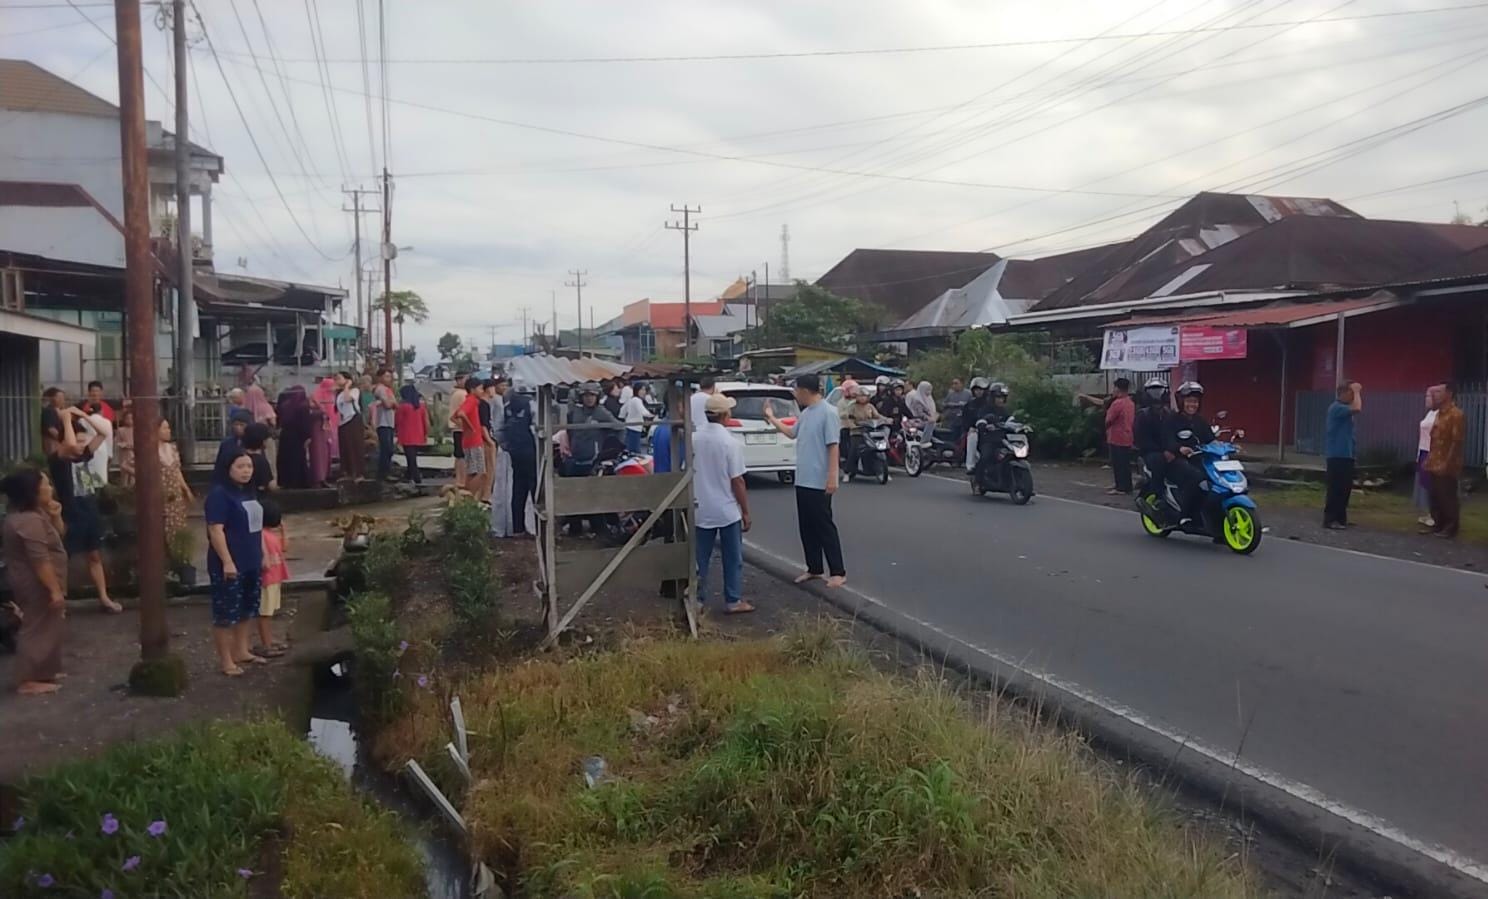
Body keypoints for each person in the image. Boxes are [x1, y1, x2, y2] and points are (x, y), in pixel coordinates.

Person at [763, 373, 846, 588]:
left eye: (796, 390)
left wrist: (832, 476)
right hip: (803, 477)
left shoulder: (828, 412)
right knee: (806, 526)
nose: (794, 394)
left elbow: (833, 445)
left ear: (806, 391)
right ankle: (814, 568)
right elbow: (792, 433)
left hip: (819, 478)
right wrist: (772, 418)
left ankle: (838, 571)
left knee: (824, 525)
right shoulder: (807, 412)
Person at [2, 468, 68, 696]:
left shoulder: (37, 515)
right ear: (33, 491)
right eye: (45, 485)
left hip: (44, 579)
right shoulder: (27, 521)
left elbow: (58, 537)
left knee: (50, 624)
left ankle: (45, 670)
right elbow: (39, 560)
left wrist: (55, 514)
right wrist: (54, 590)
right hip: (34, 581)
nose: (50, 488)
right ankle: (27, 679)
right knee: (36, 626)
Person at [204, 451, 267, 676]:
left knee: (247, 607)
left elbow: (257, 526)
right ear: (228, 468)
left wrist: (263, 553)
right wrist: (227, 561)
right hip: (230, 562)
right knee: (225, 612)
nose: (246, 471)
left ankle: (242, 650)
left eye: (248, 466)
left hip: (251, 558)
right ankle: (226, 660)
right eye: (240, 466)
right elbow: (215, 530)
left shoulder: (248, 492)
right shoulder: (219, 495)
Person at [694, 392, 753, 613]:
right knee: (732, 557)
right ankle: (733, 599)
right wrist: (746, 511)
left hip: (700, 506)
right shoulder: (730, 443)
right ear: (724, 415)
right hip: (726, 509)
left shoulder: (694, 439)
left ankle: (697, 599)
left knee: (700, 559)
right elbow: (737, 481)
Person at [1163, 382, 1215, 525]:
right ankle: (1185, 515)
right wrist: (1179, 449)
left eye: (1196, 402)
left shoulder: (1200, 421)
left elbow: (1210, 439)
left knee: (1215, 478)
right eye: (1189, 401)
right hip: (1177, 461)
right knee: (1196, 477)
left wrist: (1226, 446)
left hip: (1198, 459)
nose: (1193, 405)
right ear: (1181, 402)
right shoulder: (1172, 420)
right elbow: (1167, 440)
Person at [1424, 382, 1465, 539]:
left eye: (1439, 392)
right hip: (1435, 459)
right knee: (1434, 496)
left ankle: (1450, 526)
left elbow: (1456, 441)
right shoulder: (1439, 413)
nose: (1436, 395)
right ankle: (1438, 523)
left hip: (1447, 463)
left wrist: (1448, 462)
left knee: (1447, 495)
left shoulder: (1456, 414)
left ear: (1449, 393)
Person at [1323, 381, 1362, 530]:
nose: (1353, 397)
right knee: (1335, 488)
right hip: (1337, 455)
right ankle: (1330, 518)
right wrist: (1357, 391)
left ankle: (1341, 518)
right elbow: (1358, 408)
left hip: (1347, 454)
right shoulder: (1336, 408)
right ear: (1344, 393)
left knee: (1345, 488)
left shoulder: (1345, 409)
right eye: (1351, 394)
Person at [500, 389, 537, 536]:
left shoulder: (508, 407)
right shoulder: (532, 405)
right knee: (536, 489)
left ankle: (518, 528)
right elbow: (537, 429)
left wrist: (506, 445)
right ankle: (539, 527)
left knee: (518, 489)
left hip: (515, 452)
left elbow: (499, 428)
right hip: (530, 452)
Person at [256, 501, 290, 659]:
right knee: (265, 613)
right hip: (267, 579)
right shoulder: (261, 535)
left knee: (270, 612)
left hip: (275, 578)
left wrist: (284, 531)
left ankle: (269, 640)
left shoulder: (270, 534)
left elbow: (284, 547)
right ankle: (266, 644)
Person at [1133, 378, 1171, 502]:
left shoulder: (1170, 414)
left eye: (1159, 391)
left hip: (1170, 450)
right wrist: (1163, 450)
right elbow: (1142, 440)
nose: (1157, 396)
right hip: (1150, 452)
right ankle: (1158, 496)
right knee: (1159, 462)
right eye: (1153, 392)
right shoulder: (1143, 415)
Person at [158, 417, 193, 539]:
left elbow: (177, 470)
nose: (168, 431)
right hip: (160, 490)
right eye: (165, 428)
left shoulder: (172, 448)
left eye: (168, 428)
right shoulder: (150, 450)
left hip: (174, 489)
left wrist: (186, 489)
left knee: (177, 520)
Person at [456, 376, 489, 498]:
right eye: (480, 389)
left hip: (469, 440)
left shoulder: (469, 400)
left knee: (472, 472)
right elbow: (460, 414)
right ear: (472, 389)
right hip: (474, 441)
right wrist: (472, 427)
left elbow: (454, 416)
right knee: (481, 473)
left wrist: (466, 427)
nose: (482, 391)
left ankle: (466, 496)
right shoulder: (471, 401)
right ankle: (470, 496)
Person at [275, 385, 313, 490]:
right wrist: (308, 436)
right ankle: (299, 482)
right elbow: (304, 424)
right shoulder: (303, 406)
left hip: (285, 435)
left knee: (286, 459)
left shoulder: (285, 405)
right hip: (297, 436)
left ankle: (286, 481)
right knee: (298, 459)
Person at [1105, 378, 1136, 495]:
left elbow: (1109, 419)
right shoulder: (1130, 402)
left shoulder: (1117, 403)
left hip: (1116, 436)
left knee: (1118, 463)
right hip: (1128, 436)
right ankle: (1126, 485)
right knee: (1125, 463)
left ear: (1117, 388)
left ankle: (1121, 487)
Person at [395, 383, 431, 485]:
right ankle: (409, 475)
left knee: (410, 458)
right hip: (419, 436)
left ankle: (416, 477)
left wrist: (397, 435)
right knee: (412, 457)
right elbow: (426, 422)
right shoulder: (421, 406)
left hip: (407, 436)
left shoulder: (403, 407)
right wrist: (426, 434)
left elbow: (398, 422)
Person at [334, 370, 365, 481]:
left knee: (354, 446)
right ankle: (346, 472)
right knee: (345, 446)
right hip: (343, 422)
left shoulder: (354, 391)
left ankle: (358, 473)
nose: (337, 381)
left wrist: (347, 386)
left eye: (339, 378)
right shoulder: (339, 394)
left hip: (353, 420)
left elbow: (348, 399)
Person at [1415, 387, 1438, 528]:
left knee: (1431, 483)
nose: (1426, 399)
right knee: (1423, 482)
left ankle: (1434, 513)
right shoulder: (1429, 413)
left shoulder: (1440, 414)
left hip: (1432, 451)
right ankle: (1425, 512)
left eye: (1429, 396)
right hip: (1423, 450)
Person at [213, 407, 252, 486]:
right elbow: (219, 466)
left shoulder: (252, 442)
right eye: (236, 424)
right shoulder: (226, 443)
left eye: (242, 425)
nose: (238, 428)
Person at [373, 368, 399, 481]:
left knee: (389, 449)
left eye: (390, 376)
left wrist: (391, 402)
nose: (389, 379)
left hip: (390, 422)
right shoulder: (380, 389)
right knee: (386, 448)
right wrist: (391, 402)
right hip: (382, 422)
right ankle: (382, 474)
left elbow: (395, 405)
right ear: (380, 377)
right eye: (386, 376)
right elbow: (389, 405)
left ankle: (386, 472)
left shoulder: (389, 390)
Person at [311, 377, 338, 486]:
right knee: (320, 452)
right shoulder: (317, 397)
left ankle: (327, 473)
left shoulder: (331, 397)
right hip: (319, 430)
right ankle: (320, 477)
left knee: (328, 449)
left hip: (329, 426)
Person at [242, 422, 276, 501]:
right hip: (258, 497)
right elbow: (270, 485)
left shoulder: (239, 457)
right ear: (263, 441)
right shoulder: (261, 461)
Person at [448, 375, 470, 489]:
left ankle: (458, 479)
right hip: (461, 428)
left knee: (458, 455)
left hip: (456, 428)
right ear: (459, 380)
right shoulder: (462, 394)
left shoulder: (455, 393)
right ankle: (462, 480)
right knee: (462, 455)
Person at [621, 382, 654, 454]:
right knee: (635, 452)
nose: (643, 392)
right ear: (637, 390)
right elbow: (643, 412)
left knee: (630, 450)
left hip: (631, 427)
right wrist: (652, 415)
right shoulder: (636, 400)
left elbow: (622, 412)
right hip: (634, 428)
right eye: (641, 390)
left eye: (644, 390)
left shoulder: (632, 399)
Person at [115, 406, 135, 486]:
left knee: (133, 475)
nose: (129, 420)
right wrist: (125, 445)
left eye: (131, 418)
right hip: (124, 455)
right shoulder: (121, 430)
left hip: (134, 455)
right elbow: (117, 442)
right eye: (127, 418)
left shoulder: (137, 429)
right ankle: (124, 489)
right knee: (124, 475)